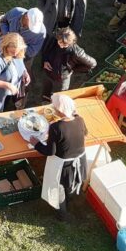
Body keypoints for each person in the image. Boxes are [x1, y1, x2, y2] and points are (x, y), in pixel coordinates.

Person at [34, 93, 88, 221]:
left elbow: (50, 151)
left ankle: (62, 214)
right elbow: (85, 133)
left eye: (55, 108)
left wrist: (35, 143)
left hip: (63, 167)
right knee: (70, 184)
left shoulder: (56, 127)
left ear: (60, 110)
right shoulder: (80, 120)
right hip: (80, 161)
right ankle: (71, 200)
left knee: (59, 188)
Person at [40, 27, 96, 101]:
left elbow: (93, 63)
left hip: (62, 79)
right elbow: (45, 50)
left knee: (60, 97)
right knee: (46, 91)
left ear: (71, 42)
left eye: (65, 45)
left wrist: (73, 69)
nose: (61, 46)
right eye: (59, 42)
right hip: (48, 73)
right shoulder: (53, 40)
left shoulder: (77, 52)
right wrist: (45, 60)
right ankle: (45, 100)